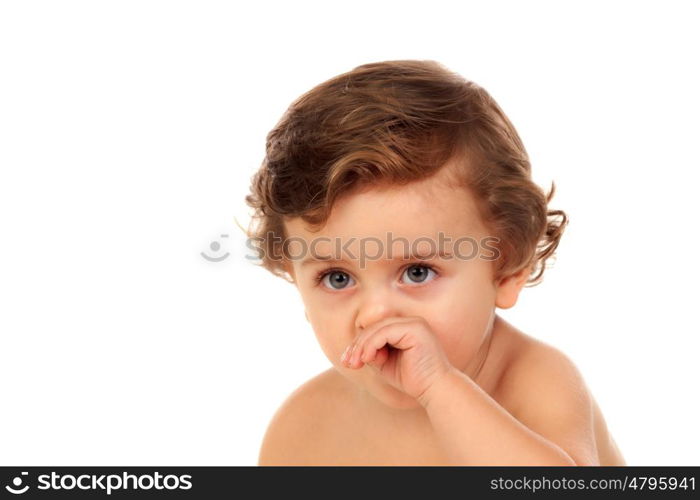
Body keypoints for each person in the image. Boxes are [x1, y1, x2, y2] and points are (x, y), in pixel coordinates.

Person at [245, 59, 625, 465]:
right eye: (337, 278)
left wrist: (439, 387)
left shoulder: (538, 383)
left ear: (507, 268)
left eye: (417, 272)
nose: (375, 314)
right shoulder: (306, 426)